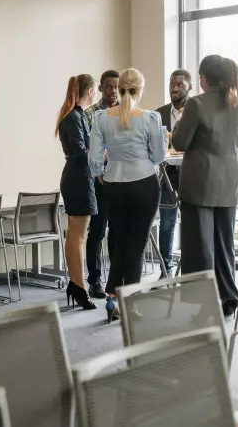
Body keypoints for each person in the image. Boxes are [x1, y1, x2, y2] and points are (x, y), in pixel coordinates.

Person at [172, 55, 238, 318]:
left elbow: (180, 144)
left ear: (204, 78)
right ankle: (229, 297)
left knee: (201, 246)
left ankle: (206, 304)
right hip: (229, 183)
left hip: (199, 184)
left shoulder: (196, 104)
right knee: (224, 243)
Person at [89, 68, 165, 323]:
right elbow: (158, 156)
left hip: (114, 185)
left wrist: (101, 172)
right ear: (140, 90)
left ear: (119, 88)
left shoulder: (101, 118)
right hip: (145, 184)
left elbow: (94, 158)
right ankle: (129, 301)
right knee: (137, 244)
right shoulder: (150, 119)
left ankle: (112, 297)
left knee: (118, 241)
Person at [56, 74, 98, 310]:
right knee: (78, 236)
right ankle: (79, 286)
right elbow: (83, 153)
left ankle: (76, 284)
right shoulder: (74, 117)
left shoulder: (73, 115)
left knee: (74, 235)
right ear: (90, 91)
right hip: (79, 177)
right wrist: (101, 155)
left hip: (76, 176)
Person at [82, 70, 119, 299]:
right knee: (97, 231)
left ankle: (115, 280)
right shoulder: (90, 114)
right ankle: (94, 280)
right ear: (101, 89)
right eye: (108, 86)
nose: (113, 91)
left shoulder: (125, 113)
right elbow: (89, 149)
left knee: (116, 232)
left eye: (116, 86)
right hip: (98, 180)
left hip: (121, 180)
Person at [155, 69, 192, 276]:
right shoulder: (158, 113)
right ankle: (165, 267)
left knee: (190, 223)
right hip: (167, 175)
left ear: (190, 87)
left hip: (190, 175)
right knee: (167, 223)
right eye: (172, 85)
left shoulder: (196, 111)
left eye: (180, 85)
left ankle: (188, 268)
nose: (175, 88)